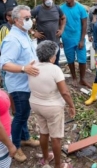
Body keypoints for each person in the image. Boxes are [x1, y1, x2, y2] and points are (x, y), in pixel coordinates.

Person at [0, 5, 40, 162]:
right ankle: (15, 146)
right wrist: (24, 69)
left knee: (24, 114)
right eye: (27, 18)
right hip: (18, 85)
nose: (30, 21)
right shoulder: (12, 40)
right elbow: (4, 64)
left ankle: (25, 137)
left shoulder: (24, 34)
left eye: (31, 18)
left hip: (27, 83)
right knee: (20, 115)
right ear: (16, 21)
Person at [28, 40, 75, 168]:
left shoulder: (32, 65)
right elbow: (64, 92)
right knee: (55, 137)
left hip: (36, 104)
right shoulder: (55, 70)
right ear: (51, 57)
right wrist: (71, 105)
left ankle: (46, 158)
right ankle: (58, 165)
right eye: (55, 55)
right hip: (52, 107)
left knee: (43, 132)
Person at [60, 0, 90, 88]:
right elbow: (59, 23)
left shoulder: (81, 9)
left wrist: (82, 39)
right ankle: (74, 78)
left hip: (78, 38)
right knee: (70, 59)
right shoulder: (61, 9)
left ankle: (82, 79)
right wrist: (60, 38)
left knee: (82, 59)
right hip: (67, 38)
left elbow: (84, 24)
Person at [31, 0, 66, 66]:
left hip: (55, 43)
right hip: (43, 44)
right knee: (44, 65)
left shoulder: (57, 8)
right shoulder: (37, 9)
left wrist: (62, 29)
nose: (49, 0)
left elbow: (63, 18)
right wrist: (33, 32)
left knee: (55, 64)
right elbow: (25, 18)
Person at [0, 7, 16, 115]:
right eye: (14, 15)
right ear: (8, 17)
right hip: (8, 63)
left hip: (14, 62)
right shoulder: (5, 29)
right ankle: (13, 110)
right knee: (10, 87)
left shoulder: (14, 28)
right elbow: (5, 49)